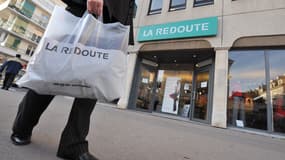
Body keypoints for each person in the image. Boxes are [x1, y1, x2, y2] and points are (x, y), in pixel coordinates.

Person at [10, 0, 134, 160]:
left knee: (91, 84)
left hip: (112, 21)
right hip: (83, 10)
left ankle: (73, 145)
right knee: (52, 74)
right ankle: (22, 127)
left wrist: (125, 28)